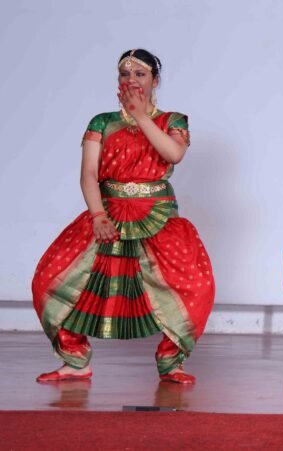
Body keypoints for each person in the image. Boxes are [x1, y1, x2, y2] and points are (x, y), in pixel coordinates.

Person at [32, 49, 215, 384]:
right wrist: (97, 215)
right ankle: (75, 361)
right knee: (50, 279)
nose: (131, 80)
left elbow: (174, 153)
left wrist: (141, 117)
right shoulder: (101, 122)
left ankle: (171, 362)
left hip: (158, 215)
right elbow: (89, 174)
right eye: (124, 74)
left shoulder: (173, 120)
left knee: (194, 286)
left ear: (155, 81)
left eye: (140, 74)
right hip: (108, 214)